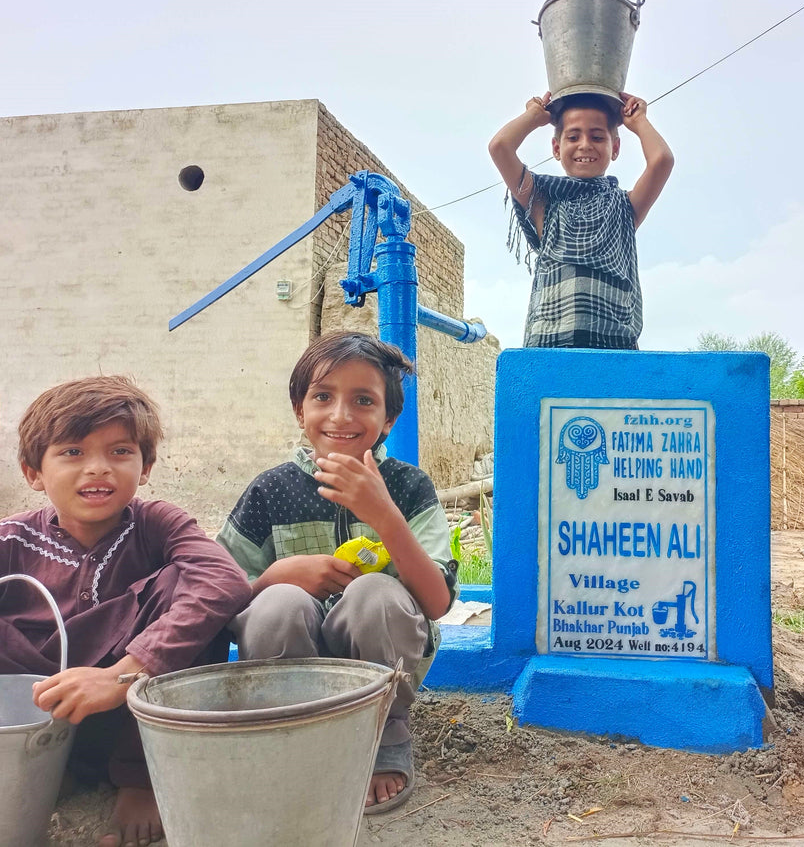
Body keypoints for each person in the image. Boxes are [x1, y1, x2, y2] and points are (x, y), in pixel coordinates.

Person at [0, 376, 251, 847]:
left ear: (146, 465)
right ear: (34, 472)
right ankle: (47, 769)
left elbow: (224, 579)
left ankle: (140, 779)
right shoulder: (11, 540)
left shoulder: (157, 524)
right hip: (40, 708)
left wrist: (124, 674)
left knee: (187, 589)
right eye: (72, 452)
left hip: (129, 708)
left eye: (119, 451)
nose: (98, 469)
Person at [216, 331, 457, 814]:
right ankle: (294, 735)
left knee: (375, 593)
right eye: (323, 396)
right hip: (290, 664)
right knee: (276, 602)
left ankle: (383, 734)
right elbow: (221, 591)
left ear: (388, 419)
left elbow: (437, 601)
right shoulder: (270, 490)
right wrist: (274, 576)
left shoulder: (408, 487)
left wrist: (384, 514)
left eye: (363, 400)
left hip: (381, 661)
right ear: (298, 410)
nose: (341, 415)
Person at [488, 90, 674, 349]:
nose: (585, 145)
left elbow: (661, 161)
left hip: (613, 351)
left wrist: (639, 120)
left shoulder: (624, 207)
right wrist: (533, 116)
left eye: (597, 137)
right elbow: (500, 147)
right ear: (556, 148)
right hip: (551, 351)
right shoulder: (543, 203)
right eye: (573, 137)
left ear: (615, 148)